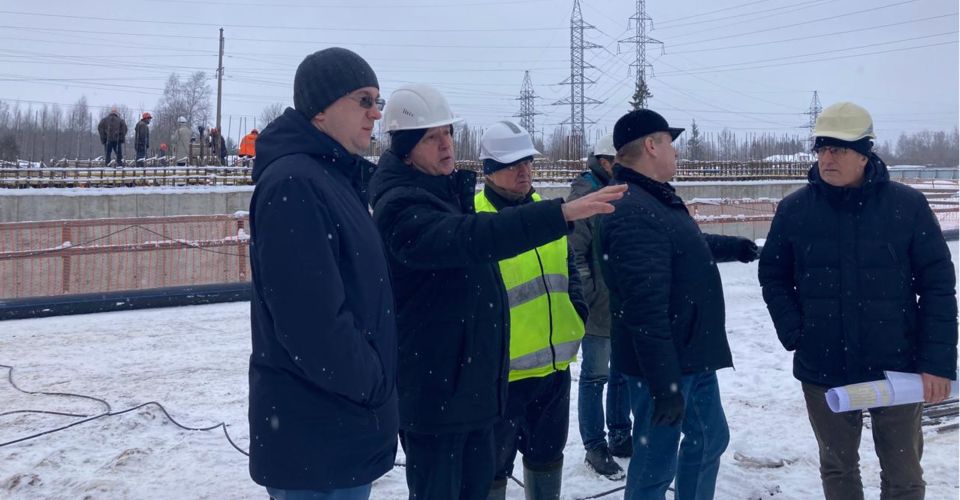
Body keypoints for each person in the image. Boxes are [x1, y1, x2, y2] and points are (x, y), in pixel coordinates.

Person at [367, 84, 625, 500]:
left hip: (481, 386)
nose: (446, 144)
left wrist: (575, 313)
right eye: (432, 137)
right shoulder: (404, 206)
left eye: (448, 133)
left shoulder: (444, 196)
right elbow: (469, 238)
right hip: (444, 395)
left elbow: (566, 272)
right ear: (406, 149)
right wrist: (560, 213)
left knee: (527, 463)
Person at [758, 101, 957, 500]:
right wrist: (796, 331)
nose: (826, 158)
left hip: (896, 364)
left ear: (865, 154)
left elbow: (937, 285)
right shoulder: (796, 210)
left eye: (838, 149)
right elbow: (774, 275)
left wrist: (936, 363)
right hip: (823, 364)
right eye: (822, 148)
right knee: (838, 469)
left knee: (903, 474)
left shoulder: (907, 207)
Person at [247, 47, 397, 500]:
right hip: (317, 438)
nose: (375, 114)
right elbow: (311, 325)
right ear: (320, 109)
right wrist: (372, 383)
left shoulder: (333, 178)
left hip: (338, 429)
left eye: (378, 101)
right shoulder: (296, 184)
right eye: (364, 100)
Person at [597, 109, 759, 500]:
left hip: (691, 355)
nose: (676, 152)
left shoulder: (654, 198)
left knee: (710, 438)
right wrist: (664, 385)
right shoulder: (630, 208)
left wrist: (734, 247)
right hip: (663, 364)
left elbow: (684, 246)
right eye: (670, 143)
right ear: (651, 146)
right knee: (656, 462)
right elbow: (644, 307)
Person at [475, 121, 587, 500]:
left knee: (547, 458)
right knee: (491, 468)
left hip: (553, 371)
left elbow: (569, 268)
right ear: (489, 170)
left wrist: (578, 311)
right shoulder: (475, 219)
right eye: (513, 164)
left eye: (528, 162)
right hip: (501, 378)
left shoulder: (547, 212)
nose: (524, 171)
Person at [567, 133, 633, 480]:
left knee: (621, 372)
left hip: (622, 302)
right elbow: (574, 252)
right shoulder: (585, 194)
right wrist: (589, 296)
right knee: (595, 376)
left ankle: (621, 435)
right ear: (605, 161)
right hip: (598, 305)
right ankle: (595, 445)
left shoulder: (618, 189)